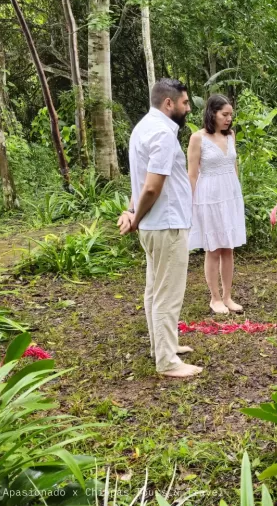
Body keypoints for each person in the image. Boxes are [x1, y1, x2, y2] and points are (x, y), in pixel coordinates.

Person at [118, 78, 202, 378]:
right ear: (169, 103)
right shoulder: (164, 134)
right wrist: (136, 216)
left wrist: (132, 213)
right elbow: (151, 187)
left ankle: (163, 346)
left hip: (156, 226)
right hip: (166, 225)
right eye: (185, 102)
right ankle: (167, 361)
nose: (188, 107)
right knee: (168, 293)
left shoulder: (143, 127)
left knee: (155, 290)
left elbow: (139, 182)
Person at [187, 94, 247, 315]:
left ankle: (228, 296)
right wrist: (190, 205)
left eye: (231, 114)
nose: (229, 118)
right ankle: (215, 298)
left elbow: (234, 166)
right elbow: (192, 174)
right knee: (213, 248)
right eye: (225, 114)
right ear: (212, 113)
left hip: (230, 194)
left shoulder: (231, 136)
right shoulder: (197, 138)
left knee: (228, 248)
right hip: (208, 196)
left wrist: (237, 192)